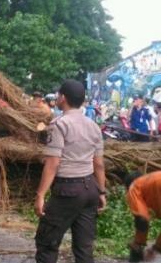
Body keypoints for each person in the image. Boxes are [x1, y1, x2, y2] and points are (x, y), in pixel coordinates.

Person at [34, 79, 106, 263]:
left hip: (67, 190)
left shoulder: (59, 124)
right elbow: (98, 164)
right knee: (84, 248)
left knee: (47, 242)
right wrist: (102, 192)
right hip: (90, 188)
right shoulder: (94, 126)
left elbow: (53, 163)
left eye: (58, 95)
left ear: (63, 98)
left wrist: (40, 195)